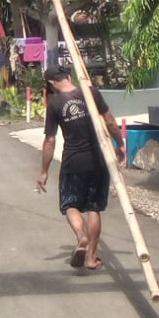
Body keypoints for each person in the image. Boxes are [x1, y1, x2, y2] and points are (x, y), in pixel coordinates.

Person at [37, 67, 126, 270]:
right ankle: (92, 258)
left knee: (70, 204)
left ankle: (82, 237)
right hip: (98, 160)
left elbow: (49, 140)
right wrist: (120, 144)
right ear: (69, 77)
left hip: (73, 162)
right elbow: (110, 122)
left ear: (51, 83)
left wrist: (44, 171)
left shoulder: (55, 103)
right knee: (94, 207)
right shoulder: (90, 92)